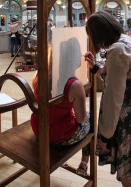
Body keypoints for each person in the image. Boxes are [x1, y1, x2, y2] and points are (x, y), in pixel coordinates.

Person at [84, 11, 131, 187]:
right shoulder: (126, 40)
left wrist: (105, 132)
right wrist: (96, 67)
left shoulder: (117, 49)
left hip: (127, 122)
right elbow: (122, 76)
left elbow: (114, 95)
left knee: (129, 178)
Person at [30, 39, 90, 176]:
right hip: (59, 135)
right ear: (74, 57)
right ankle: (84, 163)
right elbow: (81, 119)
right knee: (90, 117)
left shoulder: (40, 75)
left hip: (38, 128)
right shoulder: (74, 84)